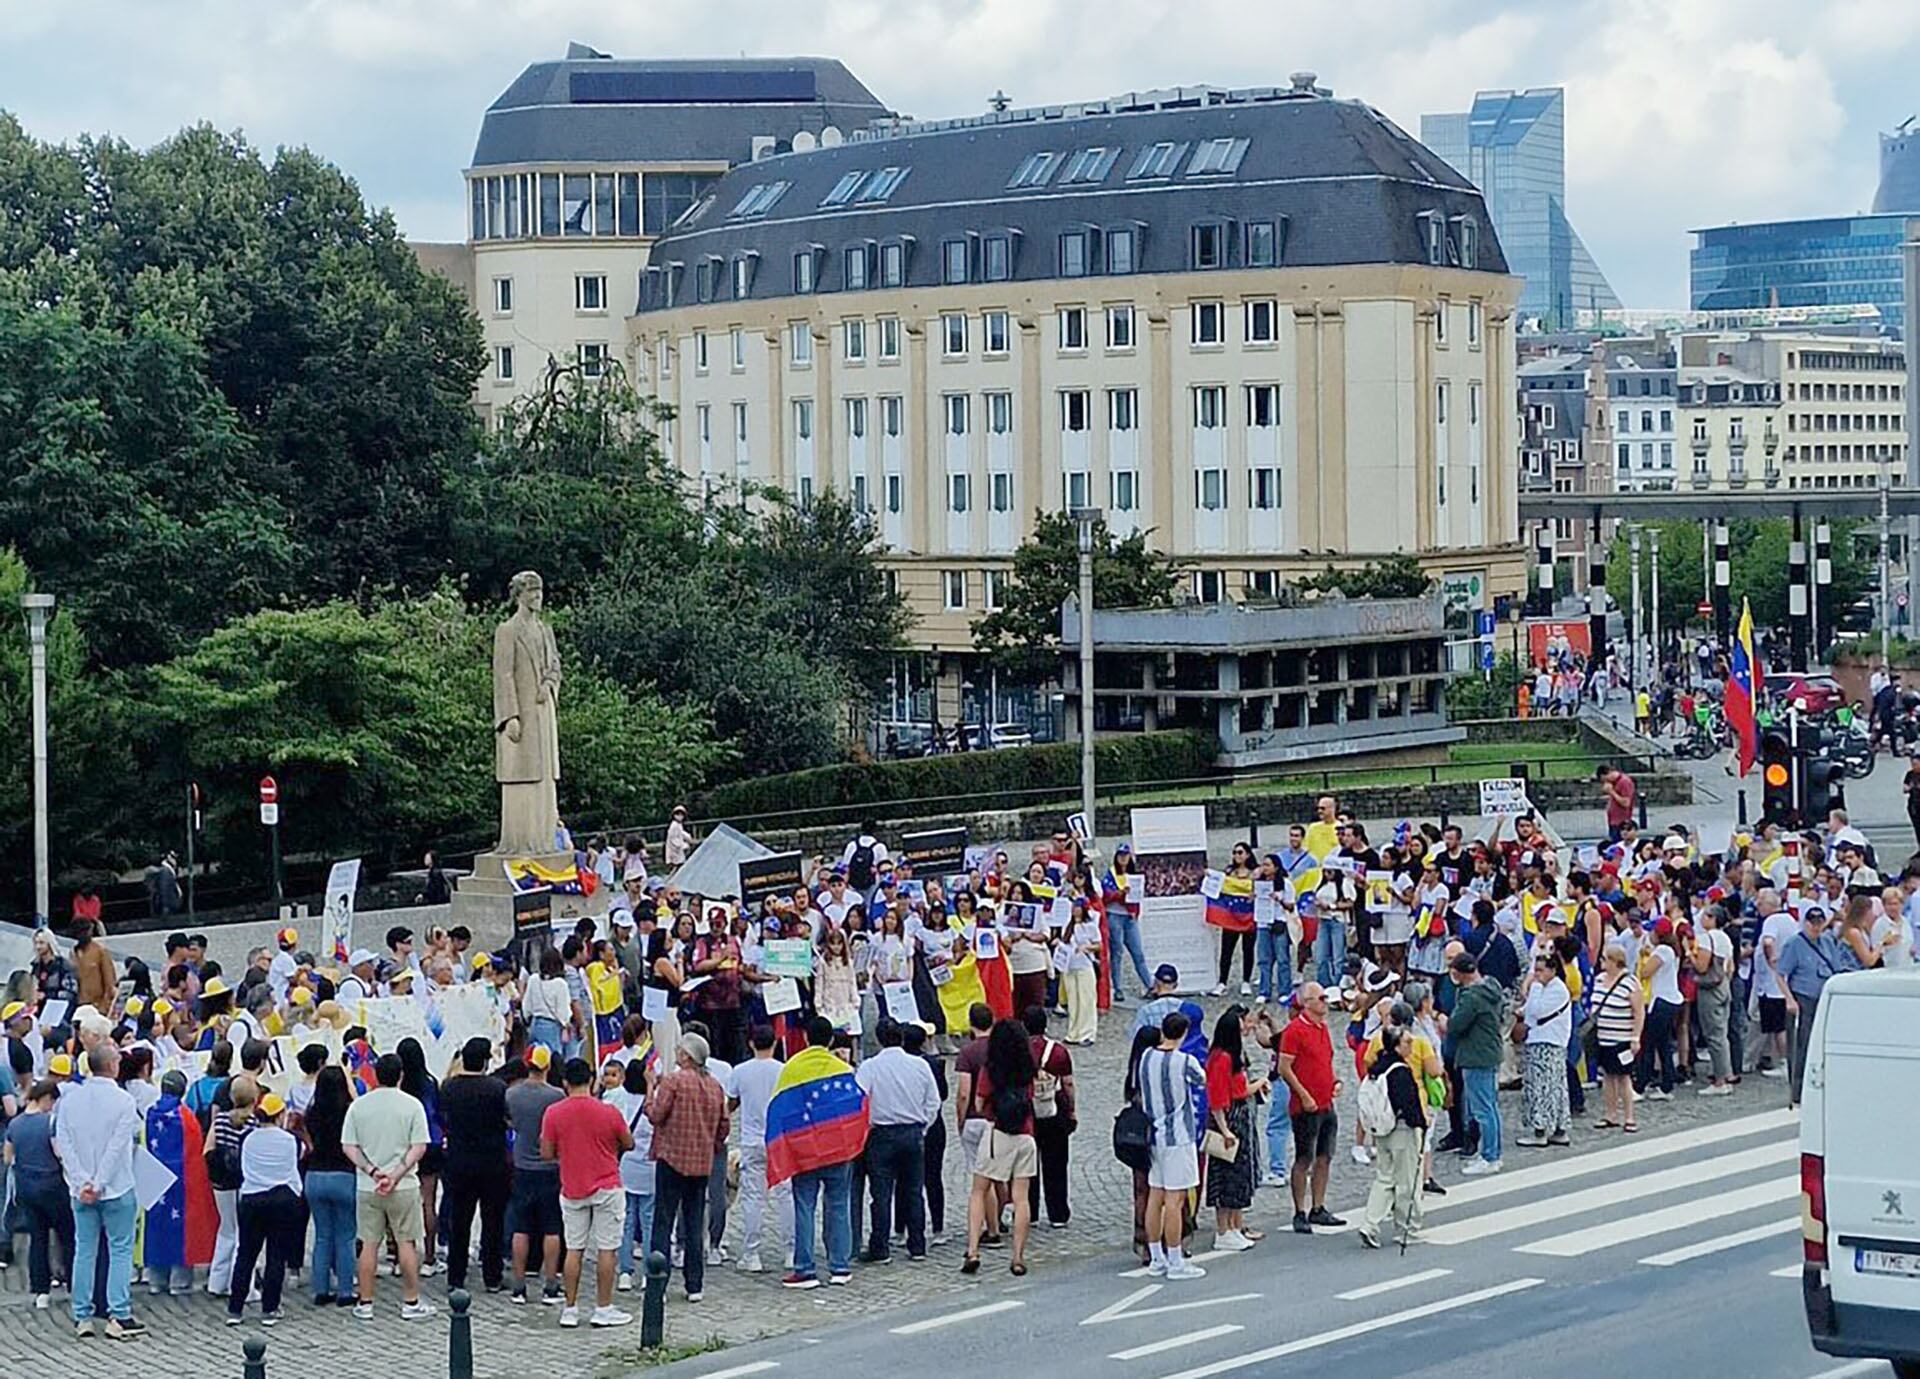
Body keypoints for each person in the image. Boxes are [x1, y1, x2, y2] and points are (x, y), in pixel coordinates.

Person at [54, 1044, 148, 1338]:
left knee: (85, 1249)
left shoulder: (70, 1101)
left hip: (80, 1189)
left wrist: (82, 1181)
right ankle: (118, 1313)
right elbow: (118, 1146)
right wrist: (99, 1182)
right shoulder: (123, 1100)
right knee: (120, 1250)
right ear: (111, 1066)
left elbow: (63, 1143)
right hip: (116, 1186)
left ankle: (82, 1315)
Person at [339, 1052, 435, 1321]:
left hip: (368, 1185)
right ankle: (411, 1300)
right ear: (400, 1076)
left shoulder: (359, 1106)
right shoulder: (412, 1105)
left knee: (369, 1244)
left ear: (375, 1076)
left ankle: (366, 1302)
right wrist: (395, 1174)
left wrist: (372, 1170)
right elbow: (419, 1146)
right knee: (406, 1242)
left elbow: (349, 1146)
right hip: (403, 1184)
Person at [541, 1056, 634, 1328]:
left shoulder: (554, 1113)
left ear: (565, 1083)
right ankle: (603, 1307)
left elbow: (546, 1153)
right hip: (606, 1183)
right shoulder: (609, 1112)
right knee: (607, 1248)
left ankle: (570, 1308)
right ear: (592, 1081)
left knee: (574, 1248)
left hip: (572, 1185)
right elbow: (627, 1142)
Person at [645, 1031, 729, 1303]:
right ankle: (695, 1284)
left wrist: (650, 1090)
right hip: (701, 1162)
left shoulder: (674, 1081)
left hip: (672, 1158)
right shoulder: (715, 1086)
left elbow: (656, 1115)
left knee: (664, 1221)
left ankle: (659, 1282)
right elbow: (724, 1126)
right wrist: (711, 1145)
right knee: (694, 1224)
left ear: (686, 1056)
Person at [856, 1016, 940, 1263]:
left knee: (881, 1194)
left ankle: (880, 1246)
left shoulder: (870, 1067)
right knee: (914, 1191)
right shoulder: (919, 1065)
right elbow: (933, 1101)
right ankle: (917, 1245)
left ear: (879, 1040)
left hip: (881, 1134)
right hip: (913, 1132)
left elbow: (859, 1100)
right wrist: (922, 1125)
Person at [962, 1019, 1037, 1277]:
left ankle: (973, 1250)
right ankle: (1017, 1257)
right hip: (1026, 1136)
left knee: (979, 1191)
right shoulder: (1028, 1068)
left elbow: (980, 1103)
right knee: (1021, 1198)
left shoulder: (990, 1069)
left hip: (998, 1133)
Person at [1136, 1009, 1208, 1280]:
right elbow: (1201, 1079)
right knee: (1175, 1200)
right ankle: (1176, 1259)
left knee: (1156, 1196)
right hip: (1178, 1137)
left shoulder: (1146, 1057)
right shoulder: (1185, 1061)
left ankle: (1156, 1256)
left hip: (1153, 1135)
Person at [440, 1036, 511, 1294]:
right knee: (493, 1221)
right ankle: (492, 1275)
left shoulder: (449, 1088)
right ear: (484, 1061)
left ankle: (455, 1276)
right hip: (492, 1162)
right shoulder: (498, 1088)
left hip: (459, 1162)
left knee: (459, 1221)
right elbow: (507, 1119)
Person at [227, 1091, 303, 1326]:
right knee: (276, 1255)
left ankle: (235, 1308)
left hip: (251, 1198)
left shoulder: (247, 1137)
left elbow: (241, 1165)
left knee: (246, 1254)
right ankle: (270, 1308)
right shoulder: (290, 1140)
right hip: (281, 1198)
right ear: (280, 1115)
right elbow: (297, 1161)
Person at [1277, 981, 1345, 1231]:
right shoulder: (1294, 1031)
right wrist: (1303, 1095)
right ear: (1307, 1003)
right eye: (1321, 998)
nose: (1325, 1002)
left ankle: (1318, 1206)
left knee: (1325, 1156)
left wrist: (1334, 1080)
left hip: (1326, 1100)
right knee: (1304, 1157)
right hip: (1306, 1105)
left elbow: (1326, 1061)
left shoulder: (1323, 1029)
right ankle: (1299, 1210)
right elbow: (1284, 1068)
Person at [6, 1076, 75, 1311]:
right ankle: (74, 1284)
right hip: (53, 1186)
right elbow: (59, 1153)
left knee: (38, 1239)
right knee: (67, 1237)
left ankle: (40, 1291)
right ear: (46, 1099)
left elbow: (8, 1157)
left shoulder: (15, 1124)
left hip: (26, 1188)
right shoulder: (50, 1123)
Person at [729, 1025, 791, 1275]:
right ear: (774, 1044)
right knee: (786, 1194)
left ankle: (752, 1253)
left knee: (753, 1198)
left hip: (752, 1140)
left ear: (751, 1043)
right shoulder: (784, 1070)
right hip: (778, 1138)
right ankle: (790, 1251)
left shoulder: (740, 1071)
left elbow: (731, 1104)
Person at [506, 1048, 566, 1305]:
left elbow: (509, 1122)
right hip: (550, 1166)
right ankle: (550, 1284)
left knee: (521, 1228)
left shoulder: (512, 1094)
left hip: (522, 1166)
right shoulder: (556, 1096)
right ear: (547, 1067)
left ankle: (519, 1286)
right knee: (551, 1228)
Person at [1358, 1026, 1426, 1249]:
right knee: (1407, 1182)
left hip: (1382, 1131)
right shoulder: (1400, 1071)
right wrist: (1421, 1126)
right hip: (1402, 1131)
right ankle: (1407, 1229)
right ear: (1397, 1045)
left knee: (1384, 1178)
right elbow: (1409, 1105)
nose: (1411, 1045)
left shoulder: (1377, 1068)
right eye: (1407, 1042)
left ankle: (1370, 1224)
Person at [1204, 1005, 1264, 1251]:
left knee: (1237, 1176)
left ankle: (1232, 1227)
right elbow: (1218, 1097)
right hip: (1229, 1122)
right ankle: (1223, 1229)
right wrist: (1225, 1129)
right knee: (1226, 1176)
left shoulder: (1227, 1056)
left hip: (1237, 1120)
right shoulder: (1223, 1059)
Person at [302, 1066, 358, 1307]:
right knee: (346, 1236)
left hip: (315, 1175)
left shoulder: (312, 1112)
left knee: (322, 1236)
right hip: (344, 1174)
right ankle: (346, 1290)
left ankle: (321, 1289)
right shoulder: (350, 1112)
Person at [1778, 904, 1845, 1107]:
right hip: (1803, 997)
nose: (1815, 928)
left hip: (1822, 996)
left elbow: (1836, 967)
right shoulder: (1795, 944)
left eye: (1818, 923)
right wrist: (1789, 999)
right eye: (1812, 923)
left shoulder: (1827, 941)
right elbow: (1781, 974)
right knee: (1801, 1045)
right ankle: (1797, 1092)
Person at [1448, 953, 1505, 1175]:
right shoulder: (1491, 986)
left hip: (1476, 1055)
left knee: (1482, 1109)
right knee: (1490, 1106)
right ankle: (1494, 1152)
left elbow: (1456, 1025)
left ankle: (1490, 1156)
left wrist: (1446, 1021)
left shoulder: (1471, 997)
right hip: (1489, 1052)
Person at [601, 1057, 655, 1291]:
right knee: (649, 1220)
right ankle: (648, 1272)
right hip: (649, 1167)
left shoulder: (619, 1102)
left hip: (625, 1167)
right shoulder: (650, 1103)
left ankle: (625, 1271)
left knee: (626, 1221)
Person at [1023, 1004, 1076, 1230]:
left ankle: (1030, 1211)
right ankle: (1058, 1213)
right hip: (1054, 1111)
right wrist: (1072, 1109)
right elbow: (1068, 1083)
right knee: (1056, 1163)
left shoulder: (1019, 1050)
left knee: (1028, 1165)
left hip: (1026, 1113)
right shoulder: (1058, 1051)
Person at [1515, 950, 1573, 1148]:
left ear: (1552, 970)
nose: (1536, 974)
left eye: (1540, 970)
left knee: (1544, 1088)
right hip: (1543, 1041)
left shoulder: (1555, 989)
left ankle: (1541, 1131)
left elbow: (1536, 1011)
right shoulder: (1548, 988)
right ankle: (1557, 1129)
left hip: (1548, 1042)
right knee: (1550, 1087)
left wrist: (1535, 987)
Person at [1589, 943, 1644, 1133]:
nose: (1602, 962)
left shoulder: (1630, 982)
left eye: (1605, 959)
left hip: (1622, 1038)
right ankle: (1610, 1114)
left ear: (1615, 961)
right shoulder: (1599, 980)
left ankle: (1629, 1117)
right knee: (1607, 1076)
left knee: (1623, 1077)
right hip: (1603, 1036)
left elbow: (1639, 1012)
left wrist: (1635, 1037)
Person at [1597, 764, 1638, 843]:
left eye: (1605, 780)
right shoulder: (1614, 783)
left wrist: (1611, 792)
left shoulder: (1624, 782)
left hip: (1621, 823)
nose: (1605, 782)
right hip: (1613, 821)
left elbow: (1626, 803)